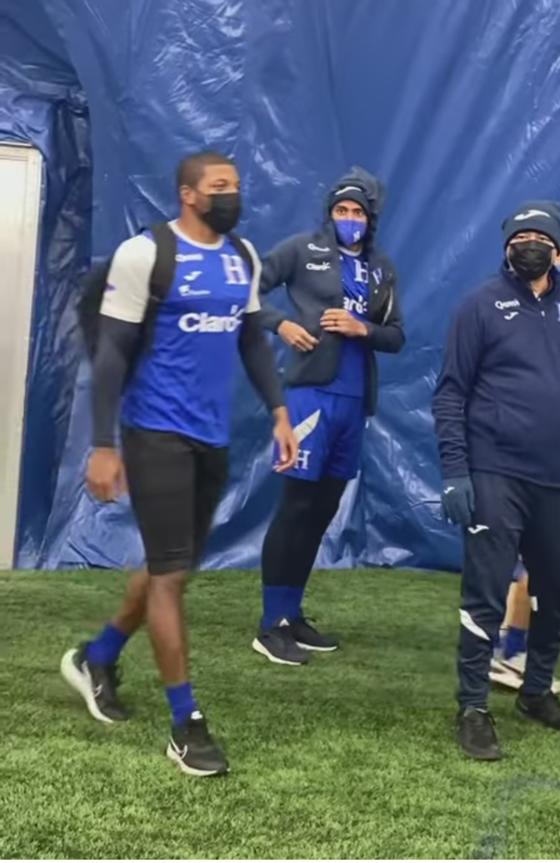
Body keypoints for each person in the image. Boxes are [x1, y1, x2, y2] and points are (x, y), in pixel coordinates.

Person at [60, 151, 297, 777]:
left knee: (174, 568)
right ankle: (186, 723)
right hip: (153, 435)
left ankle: (99, 655)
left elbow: (250, 337)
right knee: (168, 577)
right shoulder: (147, 255)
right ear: (189, 194)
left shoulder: (241, 257)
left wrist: (278, 411)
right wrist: (104, 444)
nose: (232, 196)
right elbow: (110, 353)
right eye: (220, 187)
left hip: (210, 439)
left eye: (236, 187)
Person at [432, 201, 560, 760]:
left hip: (556, 480)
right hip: (494, 473)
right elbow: (450, 393)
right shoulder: (480, 306)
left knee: (554, 592)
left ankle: (536, 692)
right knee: (485, 593)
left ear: (557, 246)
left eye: (541, 235)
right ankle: (473, 707)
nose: (530, 243)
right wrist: (457, 472)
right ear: (507, 244)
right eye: (521, 235)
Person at [251, 167, 404, 665]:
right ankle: (269, 624)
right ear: (329, 214)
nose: (349, 219)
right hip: (310, 398)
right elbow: (247, 289)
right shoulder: (302, 249)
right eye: (342, 211)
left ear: (370, 218)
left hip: (354, 402)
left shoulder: (382, 269)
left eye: (358, 212)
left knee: (320, 513)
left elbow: (397, 336)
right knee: (295, 505)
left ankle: (292, 614)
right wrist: (283, 324)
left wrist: (364, 328)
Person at [489, 243, 560, 696]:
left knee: (536, 565)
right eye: (557, 254)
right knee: (502, 560)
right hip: (504, 463)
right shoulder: (497, 308)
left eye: (558, 251)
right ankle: (493, 653)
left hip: (547, 464)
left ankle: (513, 650)